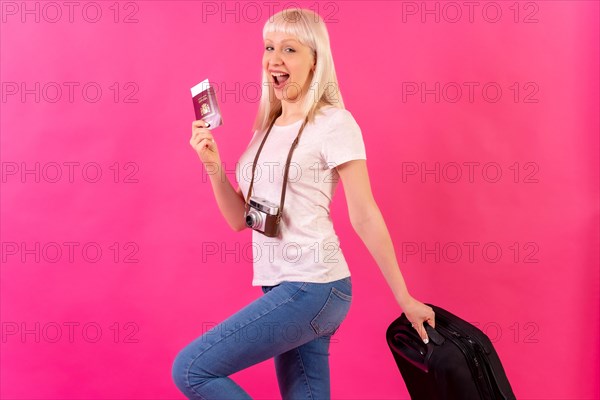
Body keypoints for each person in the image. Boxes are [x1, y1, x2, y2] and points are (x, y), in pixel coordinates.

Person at [173, 7, 435, 400]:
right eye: (269, 47)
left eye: (290, 49)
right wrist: (212, 166)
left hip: (315, 284)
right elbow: (238, 220)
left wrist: (405, 298)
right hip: (278, 284)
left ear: (316, 60)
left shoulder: (334, 123)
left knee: (193, 369)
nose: (274, 59)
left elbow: (364, 214)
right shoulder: (265, 128)